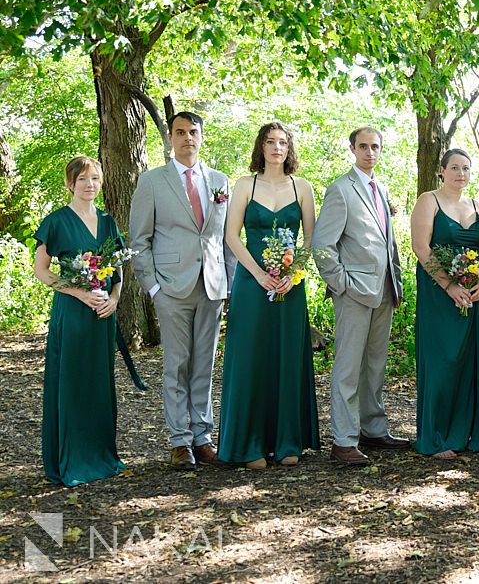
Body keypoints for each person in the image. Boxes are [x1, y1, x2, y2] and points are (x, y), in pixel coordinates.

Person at [130, 111, 233, 470]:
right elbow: (139, 241)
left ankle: (202, 438)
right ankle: (179, 441)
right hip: (171, 287)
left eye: (193, 132)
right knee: (177, 364)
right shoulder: (152, 182)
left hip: (212, 285)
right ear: (170, 138)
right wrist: (153, 287)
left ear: (201, 136)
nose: (187, 137)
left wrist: (229, 284)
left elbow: (226, 239)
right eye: (180, 132)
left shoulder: (219, 180)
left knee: (204, 363)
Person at [217, 122, 320, 468]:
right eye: (270, 142)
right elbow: (232, 236)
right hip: (252, 285)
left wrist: (294, 273)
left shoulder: (302, 187)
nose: (277, 148)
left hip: (290, 286)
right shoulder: (244, 185)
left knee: (287, 356)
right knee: (252, 358)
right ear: (261, 147)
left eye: (283, 142)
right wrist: (259, 274)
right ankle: (251, 444)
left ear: (289, 149)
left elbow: (310, 238)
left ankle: (288, 440)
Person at [313, 126, 408, 466]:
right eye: (363, 146)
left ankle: (373, 428)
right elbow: (322, 246)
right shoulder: (341, 189)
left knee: (375, 364)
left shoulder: (380, 188)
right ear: (352, 149)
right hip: (353, 291)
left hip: (384, 290)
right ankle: (343, 440)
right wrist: (342, 284)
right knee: (349, 368)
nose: (370, 152)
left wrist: (396, 284)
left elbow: (388, 243)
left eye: (375, 146)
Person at [32, 156, 127, 486]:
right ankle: (71, 459)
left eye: (95, 178)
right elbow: (41, 271)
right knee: (72, 381)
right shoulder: (56, 221)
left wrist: (114, 300)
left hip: (102, 315)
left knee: (99, 382)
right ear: (70, 183)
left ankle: (101, 455)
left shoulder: (108, 221)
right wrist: (78, 293)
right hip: (72, 313)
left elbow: (118, 270)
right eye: (83, 179)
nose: (90, 184)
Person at [410, 148, 479, 459]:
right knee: (441, 362)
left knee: (466, 361)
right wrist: (448, 285)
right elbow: (420, 247)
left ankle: (468, 432)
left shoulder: (477, 206)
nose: (461, 173)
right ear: (442, 170)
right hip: (438, 295)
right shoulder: (428, 201)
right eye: (455, 168)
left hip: (471, 294)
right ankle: (436, 437)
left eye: (466, 168)